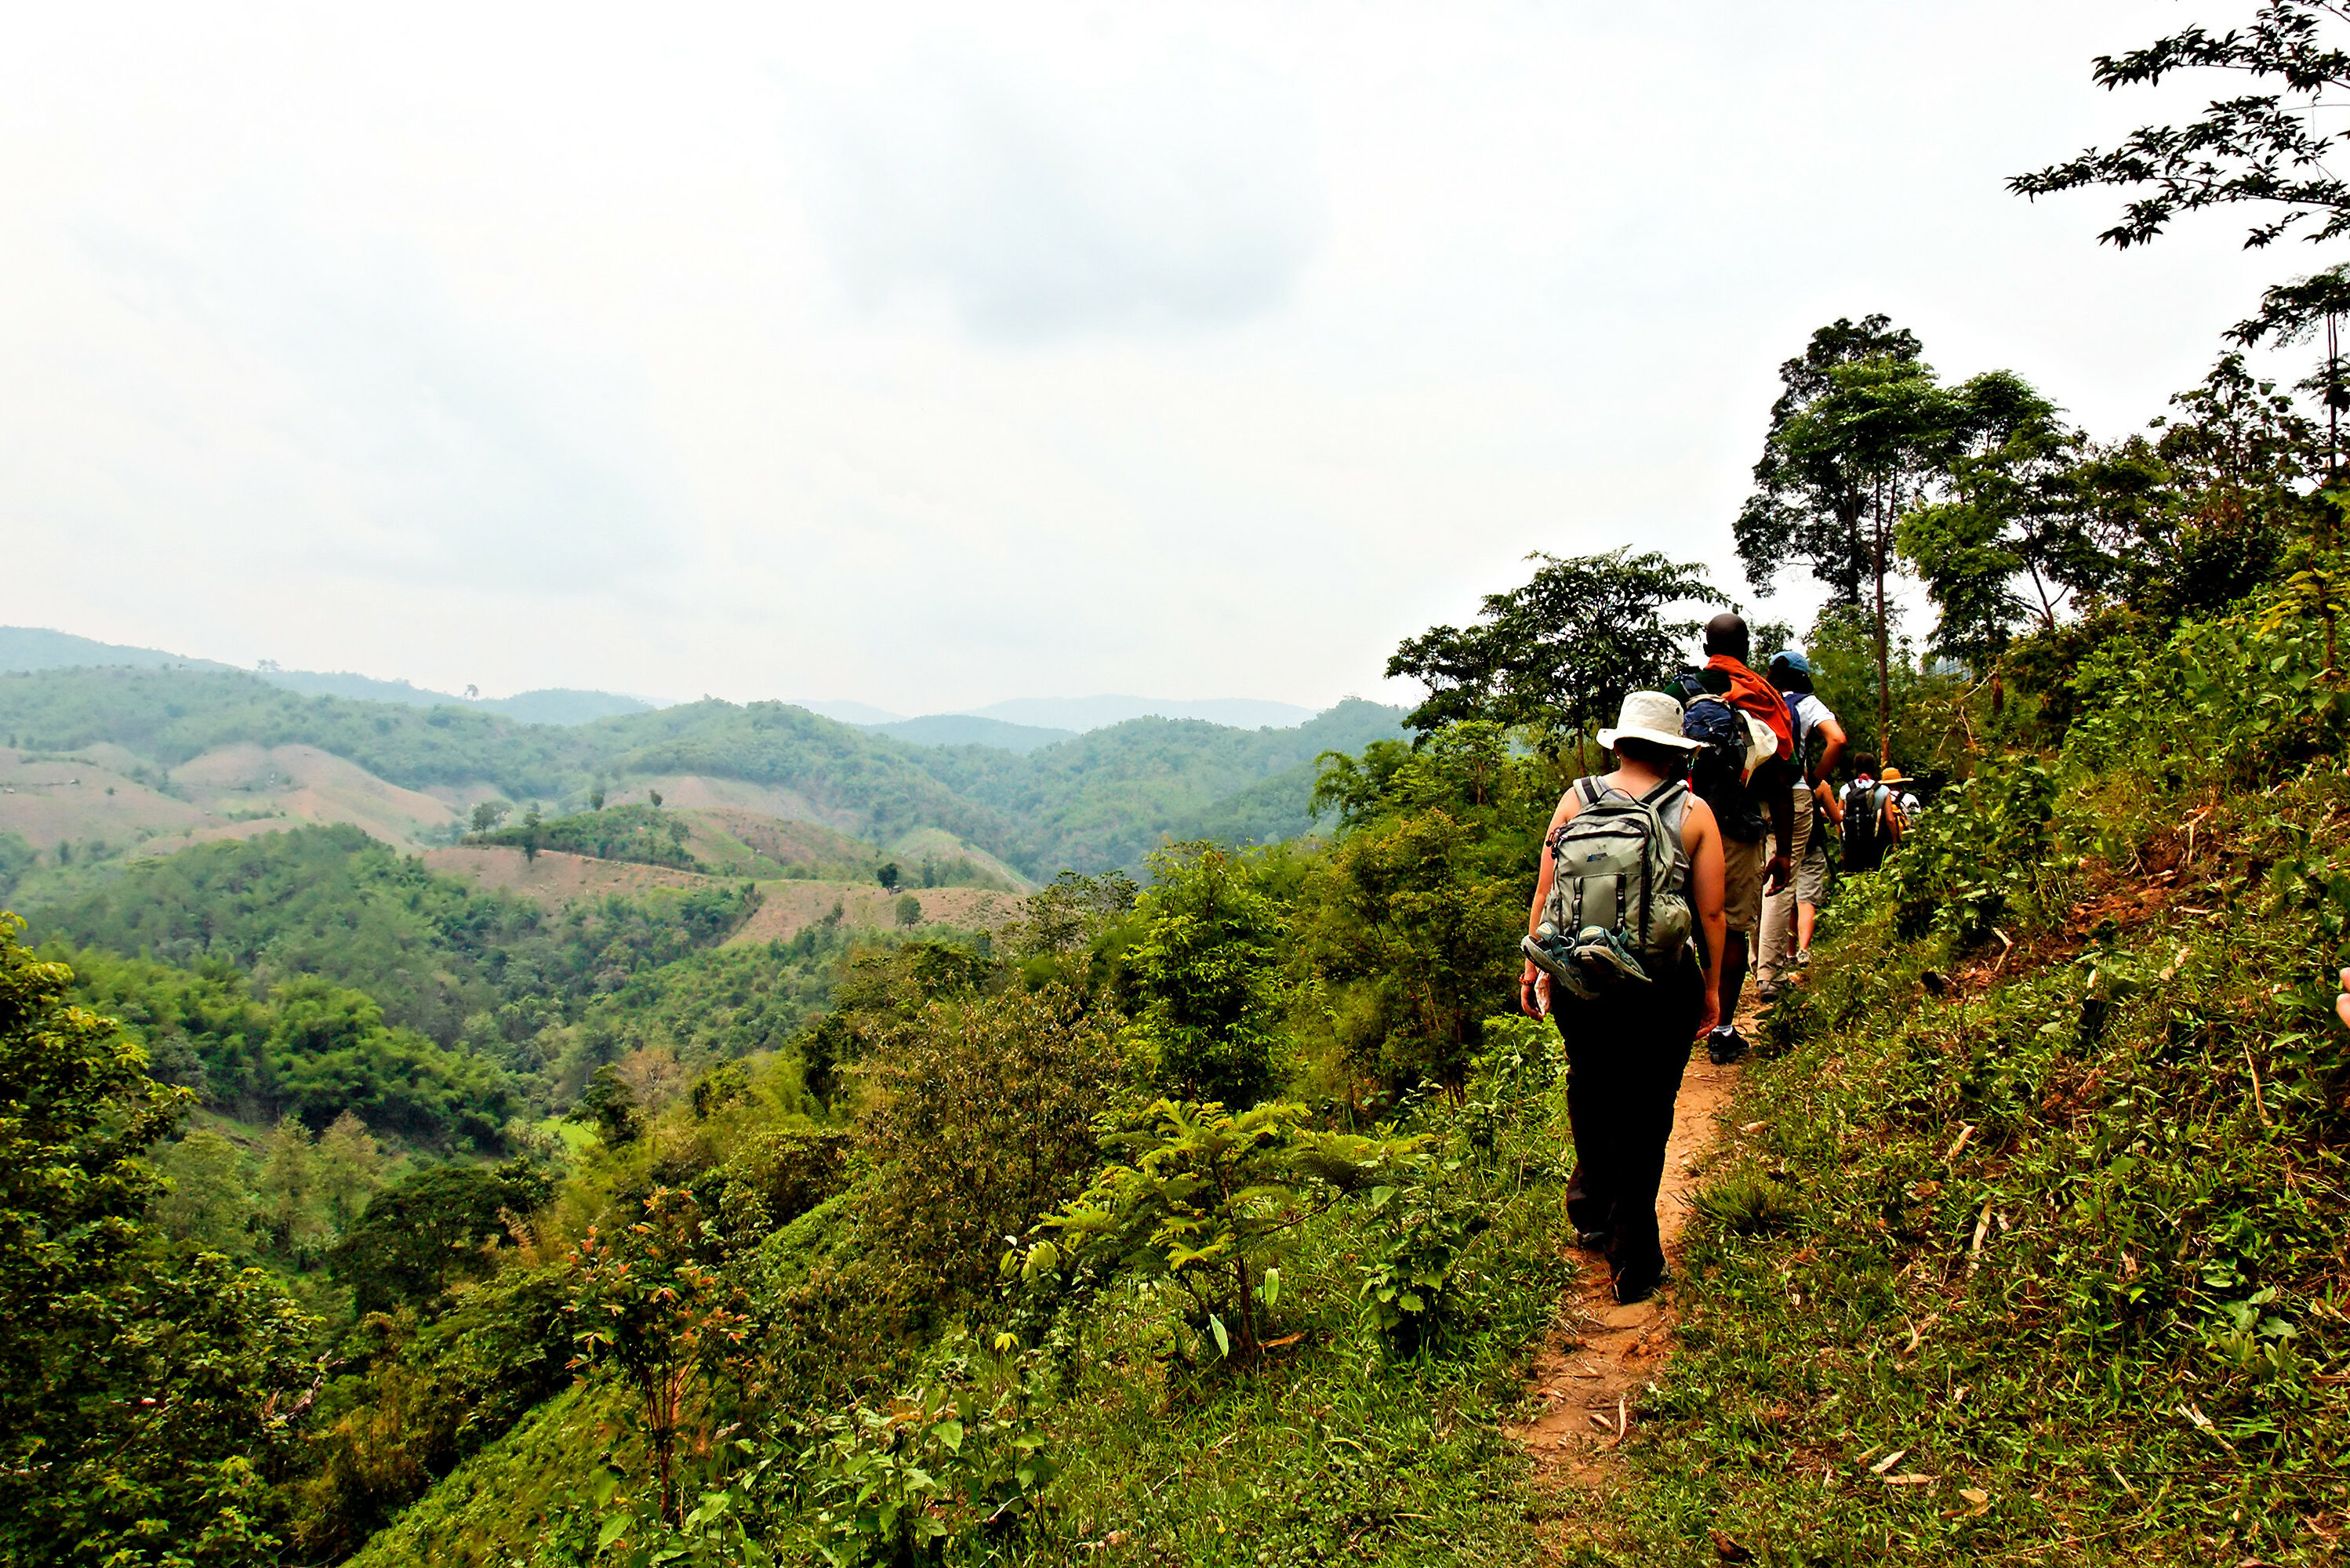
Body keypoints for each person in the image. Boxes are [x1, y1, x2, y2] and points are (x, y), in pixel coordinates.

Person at [1518, 689, 1727, 1305]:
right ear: (1673, 750)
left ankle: (1589, 1210)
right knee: (1647, 1110)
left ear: (1621, 742)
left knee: (1589, 1084)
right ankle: (1633, 1256)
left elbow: (1545, 892)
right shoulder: (1693, 811)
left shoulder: (1575, 799)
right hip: (1661, 983)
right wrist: (1711, 990)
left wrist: (1535, 967)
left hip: (1582, 975)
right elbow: (1710, 912)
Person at [1673, 612, 1795, 1064]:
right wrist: (1782, 852)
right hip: (1738, 832)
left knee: (1679, 926)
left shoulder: (1681, 691)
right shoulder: (1763, 700)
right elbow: (1782, 782)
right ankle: (1722, 1030)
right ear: (1747, 647)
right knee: (1733, 927)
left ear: (1706, 647)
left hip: (1680, 826)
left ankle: (1680, 1022)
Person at [1756, 651, 1845, 1000]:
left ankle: (1754, 961)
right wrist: (1816, 777)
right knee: (1783, 880)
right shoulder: (1807, 705)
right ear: (1803, 676)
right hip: (1792, 794)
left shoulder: (1761, 701)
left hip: (1754, 797)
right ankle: (1771, 974)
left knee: (1757, 874)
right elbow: (1836, 740)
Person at [1840, 754, 1894, 875]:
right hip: (1875, 843)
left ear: (1856, 768)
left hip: (1851, 844)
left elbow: (1840, 818)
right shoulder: (1883, 790)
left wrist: (1842, 844)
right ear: (1873, 767)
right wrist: (1894, 842)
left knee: (1852, 876)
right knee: (1875, 875)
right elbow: (1890, 820)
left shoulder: (1845, 789)